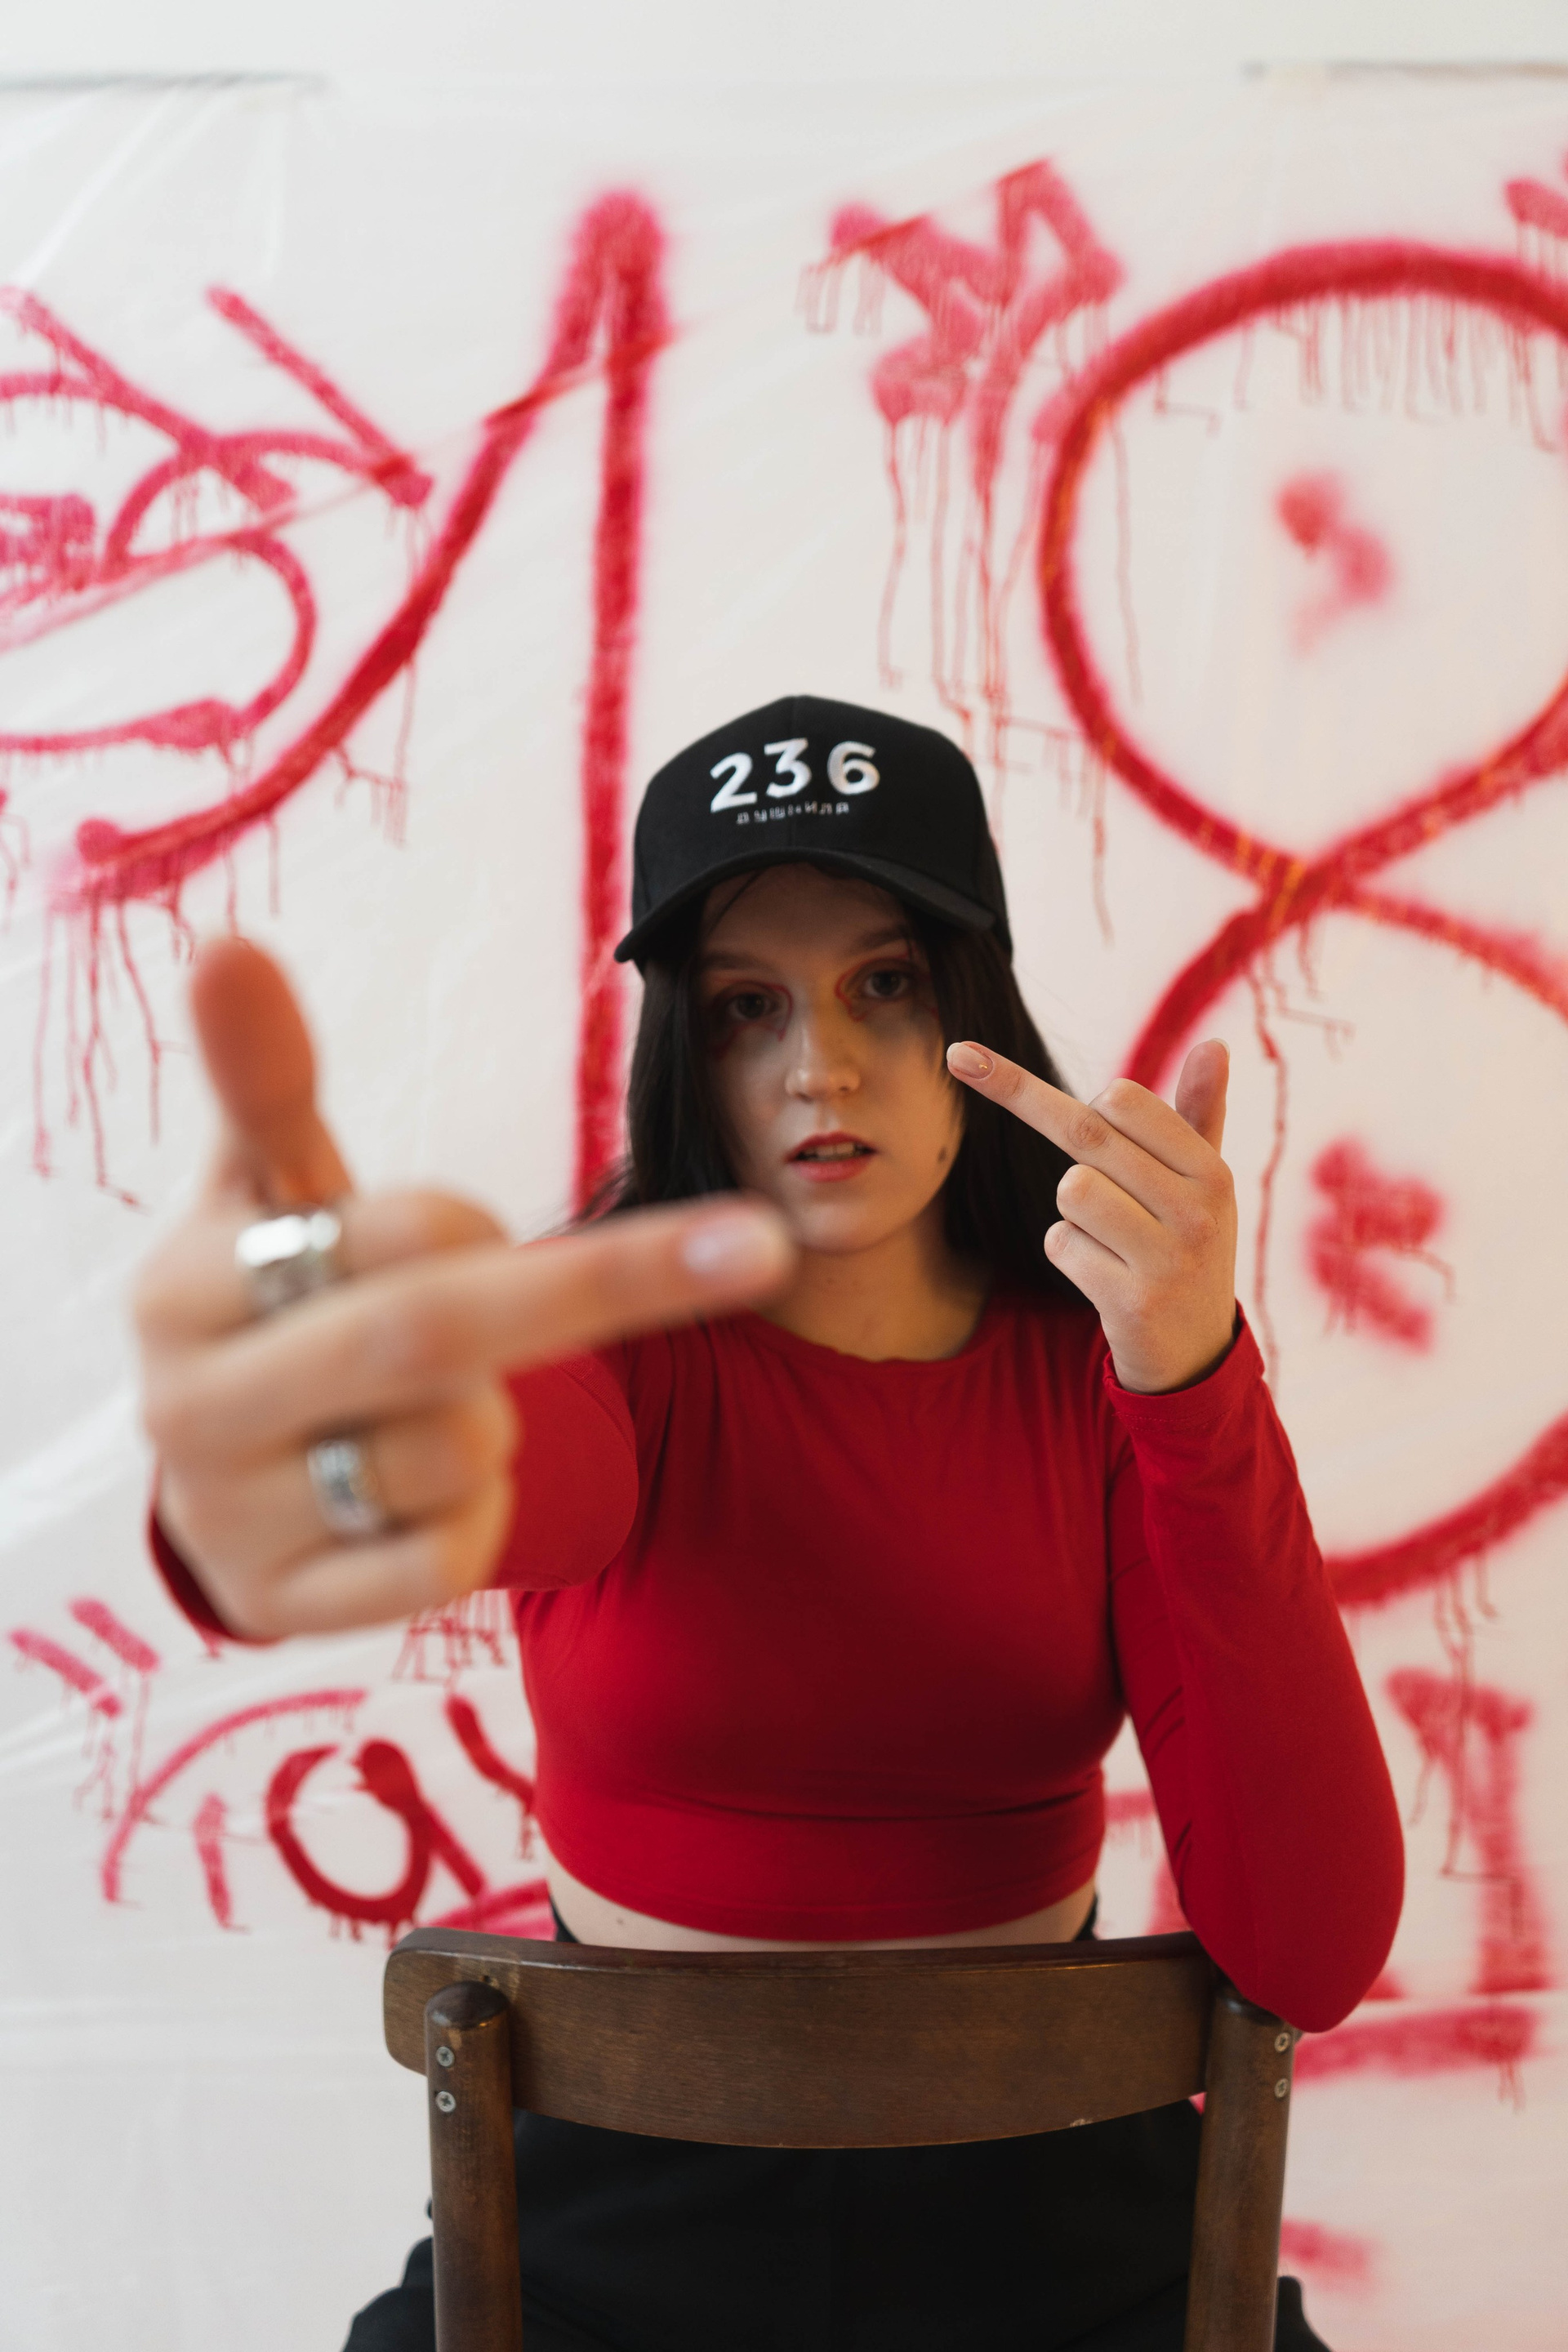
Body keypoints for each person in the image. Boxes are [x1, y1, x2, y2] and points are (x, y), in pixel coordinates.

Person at [136, 695, 1403, 2352]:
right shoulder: (598, 1341)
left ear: (978, 1003)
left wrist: (1196, 1379)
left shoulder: (1113, 1370)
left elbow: (1310, 1948)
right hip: (605, 2228)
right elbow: (493, 1453)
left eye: (886, 983)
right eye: (748, 1006)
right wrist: (317, 1455)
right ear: (686, 1050)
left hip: (1064, 2220)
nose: (819, 1065)